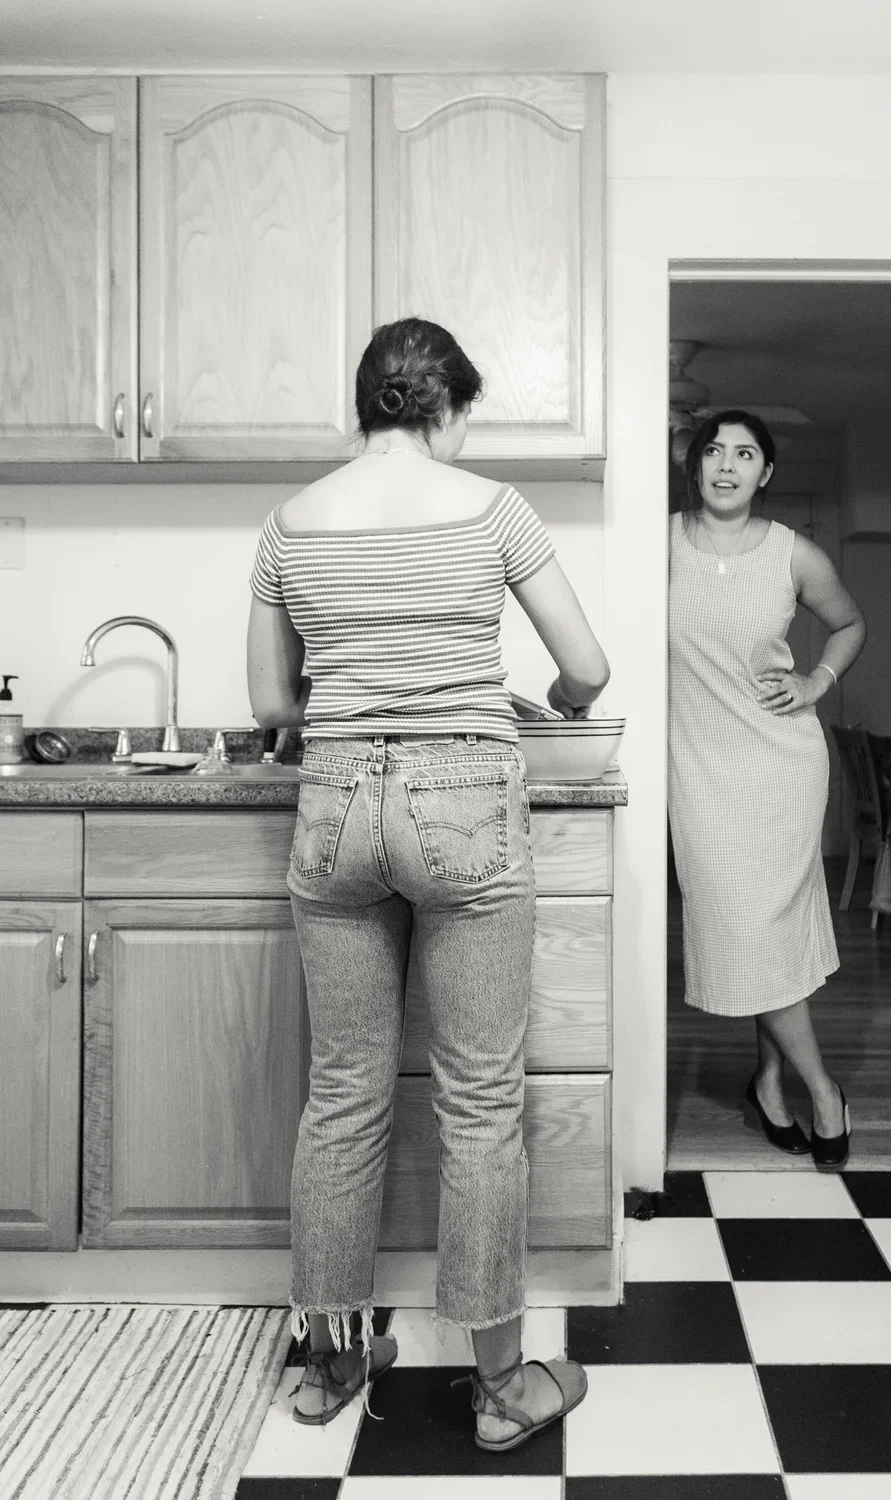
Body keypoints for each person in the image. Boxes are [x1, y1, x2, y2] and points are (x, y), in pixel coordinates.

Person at [246, 317, 608, 1446]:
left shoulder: (288, 523)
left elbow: (270, 704)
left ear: (366, 407)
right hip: (465, 802)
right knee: (479, 1104)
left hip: (338, 802)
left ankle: (327, 1368)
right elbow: (585, 666)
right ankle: (502, 1391)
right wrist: (560, 708)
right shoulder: (493, 509)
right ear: (444, 409)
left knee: (345, 1092)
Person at [668, 410, 867, 1170]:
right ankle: (783, 1081)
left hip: (782, 764)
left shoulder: (795, 554)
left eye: (745, 454)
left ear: (766, 473)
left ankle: (810, 1091)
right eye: (714, 451)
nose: (727, 465)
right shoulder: (658, 544)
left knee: (765, 926)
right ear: (696, 465)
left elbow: (849, 624)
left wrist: (817, 678)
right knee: (748, 925)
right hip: (700, 769)